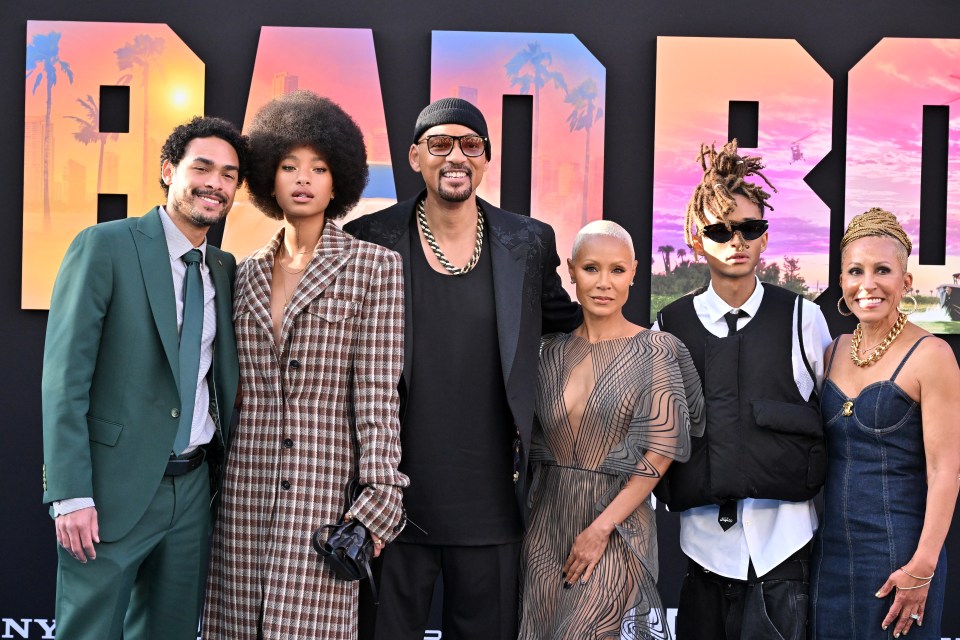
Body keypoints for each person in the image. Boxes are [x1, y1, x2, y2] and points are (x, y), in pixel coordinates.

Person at [344, 97, 580, 639]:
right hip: (390, 500)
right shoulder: (368, 239)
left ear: (487, 159)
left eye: (470, 145)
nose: (456, 156)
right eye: (440, 144)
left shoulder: (528, 241)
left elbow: (571, 322)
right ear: (414, 157)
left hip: (494, 501)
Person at [202, 90, 408, 640]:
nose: (303, 179)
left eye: (318, 168)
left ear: (338, 181)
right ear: (269, 178)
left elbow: (377, 394)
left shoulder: (374, 268)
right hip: (244, 494)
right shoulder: (241, 274)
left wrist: (379, 500)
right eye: (289, 165)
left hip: (325, 496)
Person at [41, 116, 247, 639]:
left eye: (228, 175)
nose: (215, 184)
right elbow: (65, 379)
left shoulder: (223, 267)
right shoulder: (105, 245)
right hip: (111, 491)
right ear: (167, 170)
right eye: (202, 167)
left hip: (194, 491)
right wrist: (70, 494)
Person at [652, 140, 833, 640]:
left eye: (749, 228)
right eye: (720, 229)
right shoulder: (669, 326)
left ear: (765, 238)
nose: (736, 240)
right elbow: (653, 436)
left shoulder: (803, 319)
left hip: (786, 551)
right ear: (696, 240)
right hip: (703, 553)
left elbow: (837, 421)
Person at [518, 221, 704, 638]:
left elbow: (661, 452)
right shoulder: (548, 351)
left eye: (617, 270)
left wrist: (601, 528)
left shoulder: (656, 350)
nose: (604, 283)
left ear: (635, 272)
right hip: (546, 527)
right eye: (591, 269)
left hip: (617, 528)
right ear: (570, 270)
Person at [810, 208, 960, 639]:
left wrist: (923, 566)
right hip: (832, 556)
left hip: (902, 556)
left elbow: (945, 471)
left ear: (905, 282)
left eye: (882, 270)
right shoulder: (833, 350)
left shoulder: (932, 356)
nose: (868, 284)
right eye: (855, 271)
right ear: (841, 281)